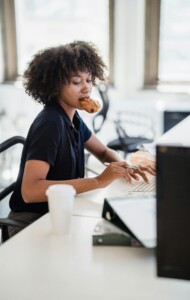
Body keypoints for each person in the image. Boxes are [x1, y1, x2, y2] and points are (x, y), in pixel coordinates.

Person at [8, 40, 155, 237]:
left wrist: (126, 167)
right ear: (55, 85)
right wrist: (98, 181)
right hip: (31, 222)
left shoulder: (73, 117)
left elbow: (103, 152)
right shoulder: (50, 124)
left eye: (89, 80)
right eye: (77, 82)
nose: (86, 88)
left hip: (61, 209)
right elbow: (30, 190)